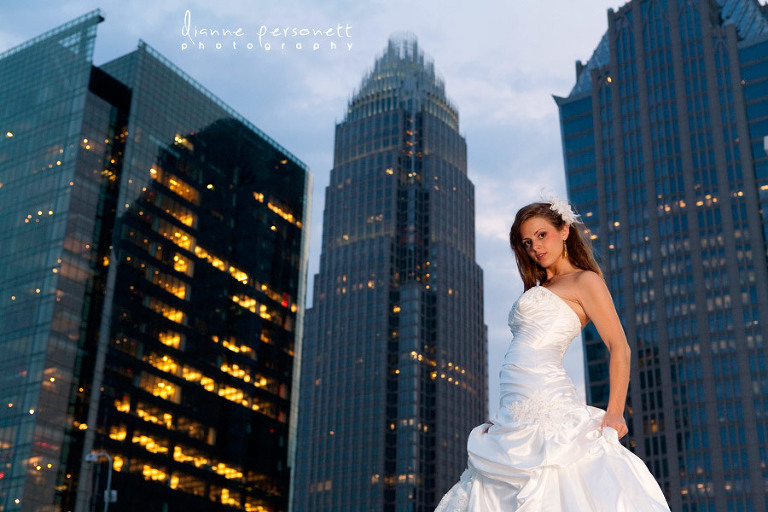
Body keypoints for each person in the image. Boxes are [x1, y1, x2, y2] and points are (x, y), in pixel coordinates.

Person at [435, 194, 670, 511]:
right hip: (514, 407)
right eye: (527, 242)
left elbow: (620, 346)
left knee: (559, 476)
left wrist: (615, 410)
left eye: (541, 235)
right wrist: (505, 418)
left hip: (549, 396)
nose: (535, 247)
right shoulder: (538, 288)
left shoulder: (584, 281)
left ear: (565, 230)